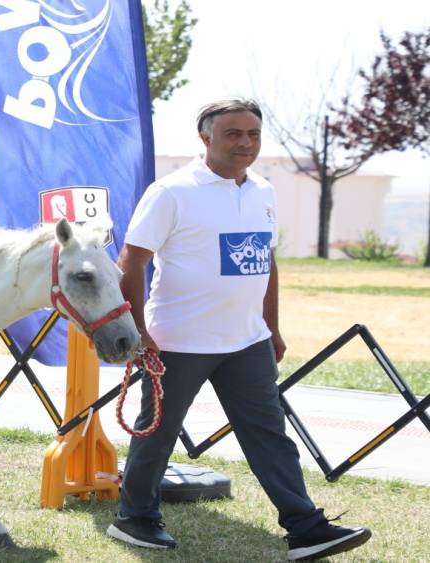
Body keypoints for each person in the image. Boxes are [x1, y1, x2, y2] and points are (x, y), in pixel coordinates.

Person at [107, 99, 372, 561]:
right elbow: (131, 262)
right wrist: (138, 330)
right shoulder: (171, 192)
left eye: (252, 134)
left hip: (247, 341)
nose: (245, 143)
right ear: (205, 137)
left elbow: (265, 263)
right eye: (232, 134)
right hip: (178, 342)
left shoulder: (263, 191)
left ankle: (306, 528)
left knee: (269, 434)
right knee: (158, 433)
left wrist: (271, 328)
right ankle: (135, 519)